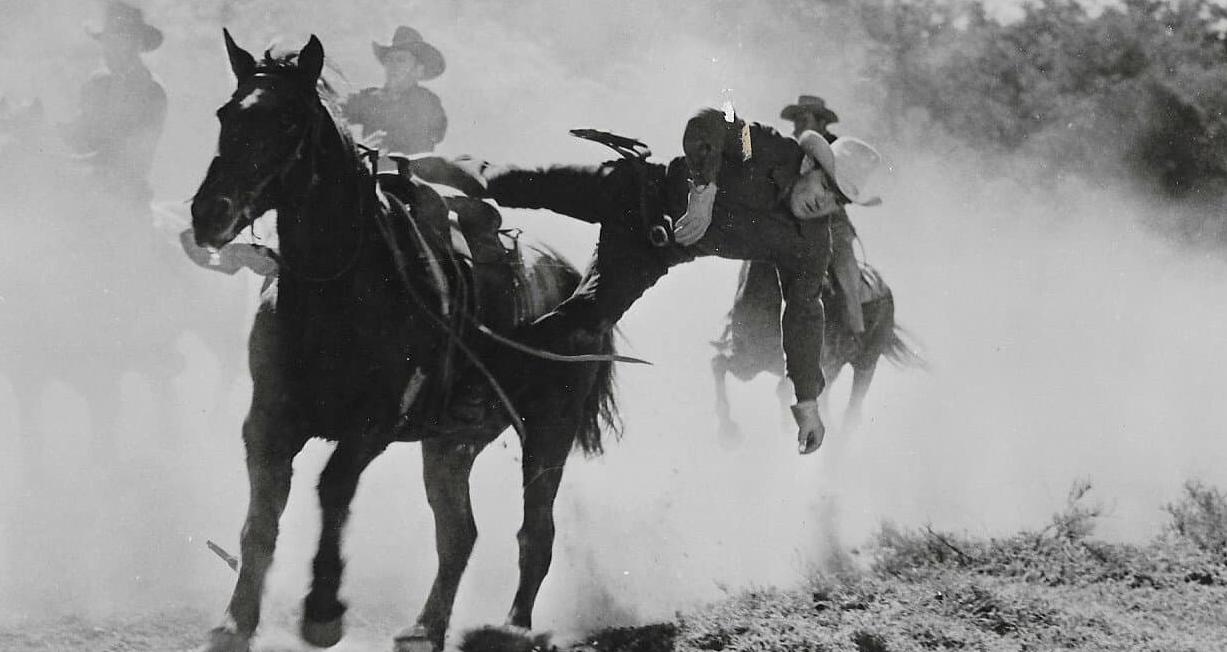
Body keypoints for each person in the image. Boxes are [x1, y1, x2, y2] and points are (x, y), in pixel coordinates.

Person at [414, 106, 875, 454]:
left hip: (649, 251)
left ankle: (477, 380)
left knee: (586, 323)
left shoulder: (811, 244)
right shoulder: (772, 147)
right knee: (521, 184)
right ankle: (412, 167)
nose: (824, 204)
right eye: (824, 187)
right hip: (631, 191)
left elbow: (804, 315)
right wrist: (704, 191)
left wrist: (808, 401)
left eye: (837, 202)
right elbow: (709, 122)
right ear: (811, 167)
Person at [778, 95, 878, 334]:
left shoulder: (838, 149)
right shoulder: (791, 146)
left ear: (821, 123)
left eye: (803, 119)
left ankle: (855, 326)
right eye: (796, 120)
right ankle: (738, 320)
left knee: (844, 266)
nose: (797, 126)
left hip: (833, 222)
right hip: (795, 212)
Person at [61, 1, 168, 210]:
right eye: (107, 41)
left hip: (124, 201)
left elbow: (130, 156)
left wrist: (78, 162)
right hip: (81, 192)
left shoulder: (151, 92)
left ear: (135, 45)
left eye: (118, 41)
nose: (108, 49)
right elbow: (80, 131)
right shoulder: (97, 83)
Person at [342, 26, 448, 156]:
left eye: (401, 60)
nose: (393, 66)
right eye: (389, 59)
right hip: (372, 168)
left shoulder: (427, 101)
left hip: (413, 170)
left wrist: (388, 141)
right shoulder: (369, 98)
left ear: (418, 69)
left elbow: (436, 133)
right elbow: (340, 111)